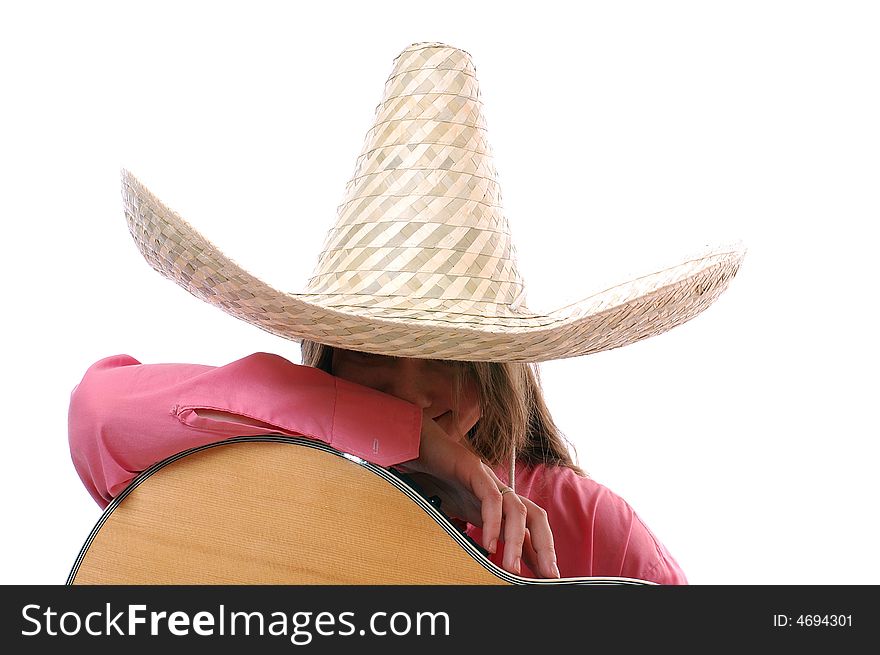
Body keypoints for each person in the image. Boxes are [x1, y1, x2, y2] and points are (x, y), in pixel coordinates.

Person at [68, 42, 745, 584]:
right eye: (375, 348)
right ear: (327, 358)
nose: (412, 388)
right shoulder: (268, 478)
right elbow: (100, 410)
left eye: (448, 354)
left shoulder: (589, 522)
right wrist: (415, 441)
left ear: (494, 373)